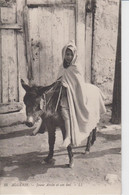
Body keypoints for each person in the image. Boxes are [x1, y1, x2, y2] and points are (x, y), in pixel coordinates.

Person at [57, 40, 106, 148]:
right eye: (66, 54)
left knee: (65, 112)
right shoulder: (62, 67)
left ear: (74, 55)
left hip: (75, 94)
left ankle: (68, 137)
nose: (68, 57)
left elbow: (77, 84)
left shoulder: (76, 67)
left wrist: (67, 86)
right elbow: (59, 79)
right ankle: (41, 125)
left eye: (70, 54)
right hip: (64, 93)